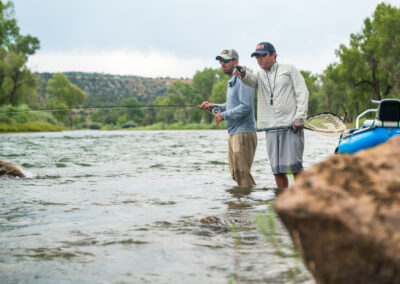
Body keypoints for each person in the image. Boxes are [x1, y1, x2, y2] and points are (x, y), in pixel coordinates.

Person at [234, 42, 309, 189]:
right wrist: (242, 74)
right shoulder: (260, 74)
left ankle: (305, 198)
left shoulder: (289, 69)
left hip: (291, 126)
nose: (259, 59)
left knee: (295, 166)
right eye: (257, 57)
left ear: (273, 55)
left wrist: (300, 116)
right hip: (270, 128)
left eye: (263, 55)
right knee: (277, 169)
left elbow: (302, 92)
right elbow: (252, 81)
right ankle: (283, 200)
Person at [200, 49, 257, 187]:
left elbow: (245, 107)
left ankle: (246, 204)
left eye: (226, 60)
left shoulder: (242, 79)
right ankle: (242, 204)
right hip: (233, 133)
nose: (222, 64)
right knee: (236, 174)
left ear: (235, 61)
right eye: (220, 61)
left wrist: (223, 115)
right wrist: (214, 106)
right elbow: (231, 105)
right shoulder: (231, 81)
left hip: (243, 133)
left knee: (243, 175)